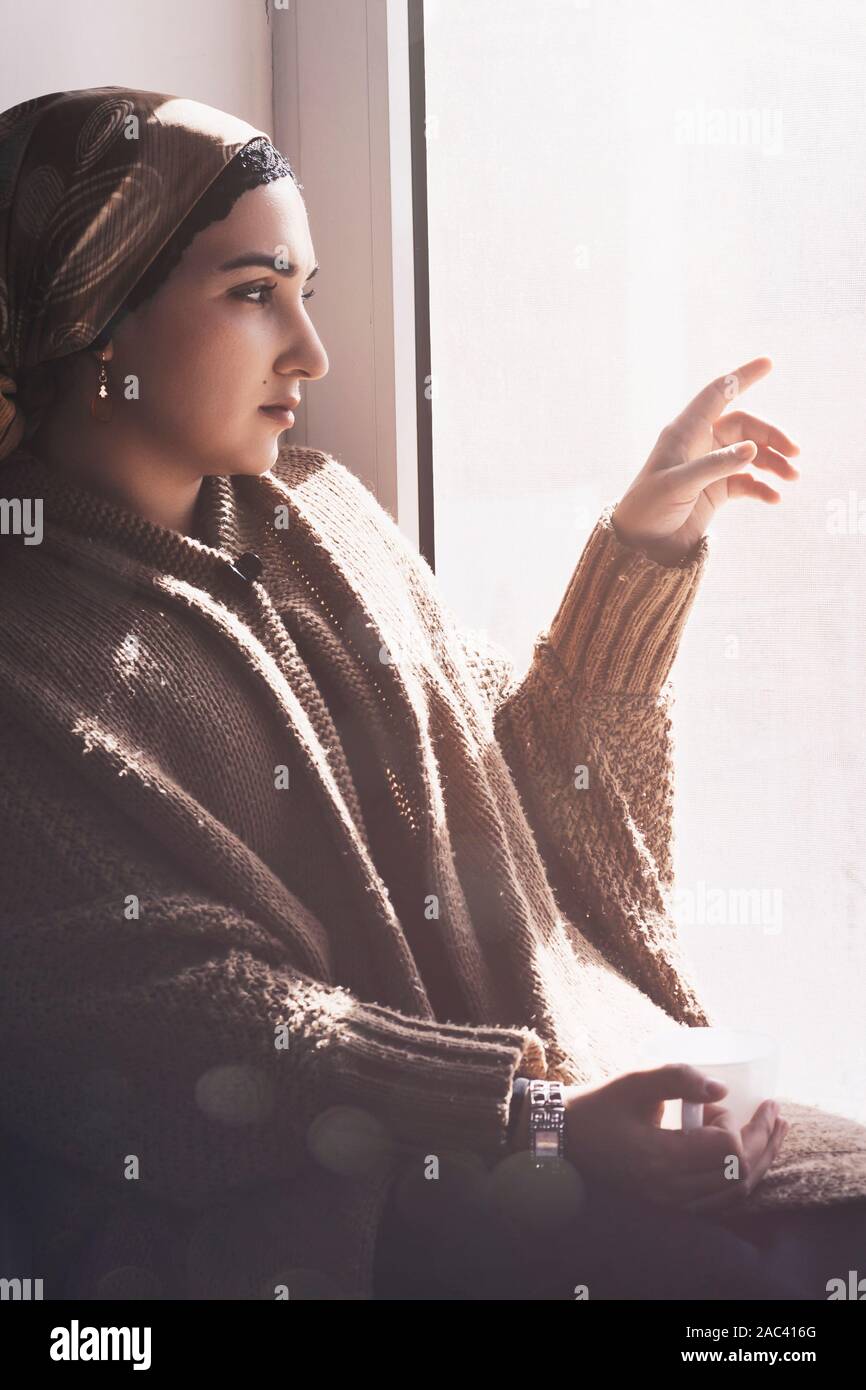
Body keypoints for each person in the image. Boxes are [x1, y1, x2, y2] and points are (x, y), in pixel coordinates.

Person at [0, 86, 865, 1303]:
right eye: (254, 293)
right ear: (95, 316)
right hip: (336, 1230)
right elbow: (172, 1024)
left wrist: (640, 552)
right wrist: (531, 1115)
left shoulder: (328, 519)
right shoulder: (25, 653)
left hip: (567, 1132)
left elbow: (544, 820)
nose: (311, 352)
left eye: (306, 291)